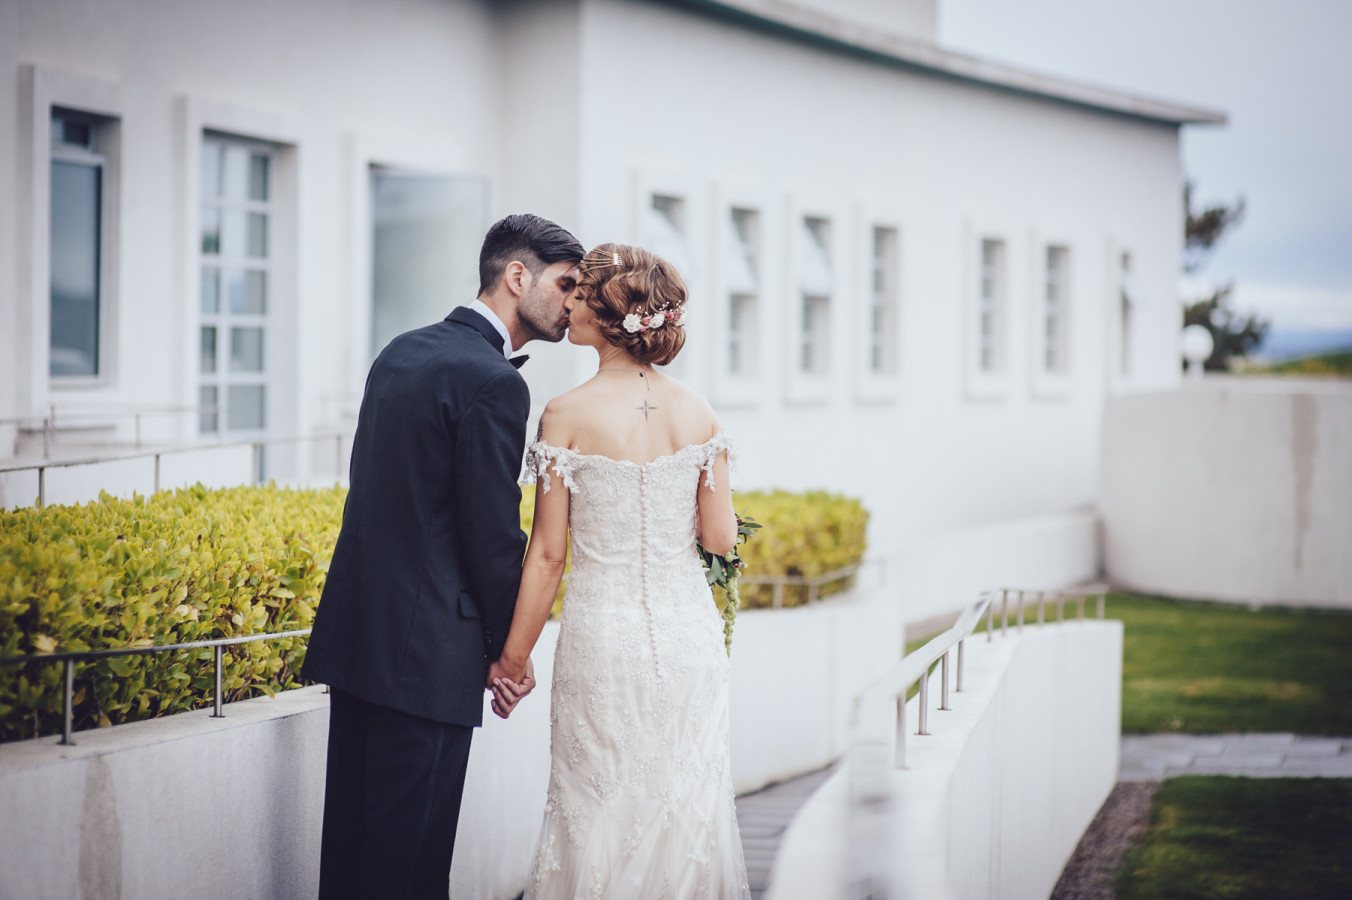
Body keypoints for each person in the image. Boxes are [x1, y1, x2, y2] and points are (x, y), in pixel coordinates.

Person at [302, 214, 584, 899]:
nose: (575, 304)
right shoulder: (495, 383)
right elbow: (492, 537)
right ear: (519, 276)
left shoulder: (400, 350)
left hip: (358, 642)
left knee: (349, 856)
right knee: (410, 868)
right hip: (427, 659)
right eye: (567, 284)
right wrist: (507, 653)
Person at [488, 243, 752, 898]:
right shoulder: (700, 413)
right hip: (687, 638)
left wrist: (512, 660)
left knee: (597, 806)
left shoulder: (564, 415)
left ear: (609, 314)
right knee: (686, 808)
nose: (569, 302)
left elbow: (549, 555)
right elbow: (721, 539)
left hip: (602, 640)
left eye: (580, 293)